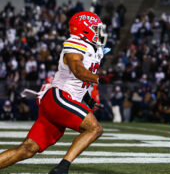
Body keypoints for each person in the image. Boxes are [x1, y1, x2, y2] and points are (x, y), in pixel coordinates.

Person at [0, 11, 108, 173]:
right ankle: (62, 168)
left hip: (59, 102)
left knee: (28, 149)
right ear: (85, 29)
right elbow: (77, 70)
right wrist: (97, 78)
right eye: (96, 28)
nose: (100, 32)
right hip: (59, 98)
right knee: (95, 128)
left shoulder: (94, 50)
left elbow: (77, 80)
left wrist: (87, 98)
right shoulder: (75, 42)